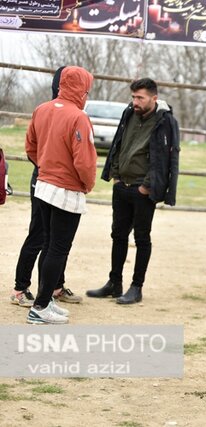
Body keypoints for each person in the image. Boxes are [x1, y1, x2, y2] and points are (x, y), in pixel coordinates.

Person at [85, 78, 180, 304]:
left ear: (154, 99)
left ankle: (136, 287)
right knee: (118, 235)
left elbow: (165, 157)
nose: (135, 102)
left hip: (142, 190)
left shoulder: (165, 121)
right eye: (133, 97)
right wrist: (116, 175)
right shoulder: (129, 113)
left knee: (141, 238)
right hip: (122, 186)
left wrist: (147, 186)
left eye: (140, 98)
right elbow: (119, 144)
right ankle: (114, 283)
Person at [24, 66, 97, 324]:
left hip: (43, 185)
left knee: (48, 245)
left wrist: (44, 166)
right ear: (81, 89)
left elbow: (30, 147)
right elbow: (85, 161)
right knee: (58, 248)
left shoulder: (41, 109)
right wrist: (87, 184)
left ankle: (44, 299)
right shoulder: (78, 116)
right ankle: (41, 307)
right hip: (66, 188)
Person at [11, 66, 83, 307]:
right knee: (40, 234)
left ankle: (55, 286)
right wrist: (46, 166)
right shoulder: (48, 110)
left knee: (55, 239)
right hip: (45, 178)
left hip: (52, 177)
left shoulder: (65, 111)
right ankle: (21, 287)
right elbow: (31, 146)